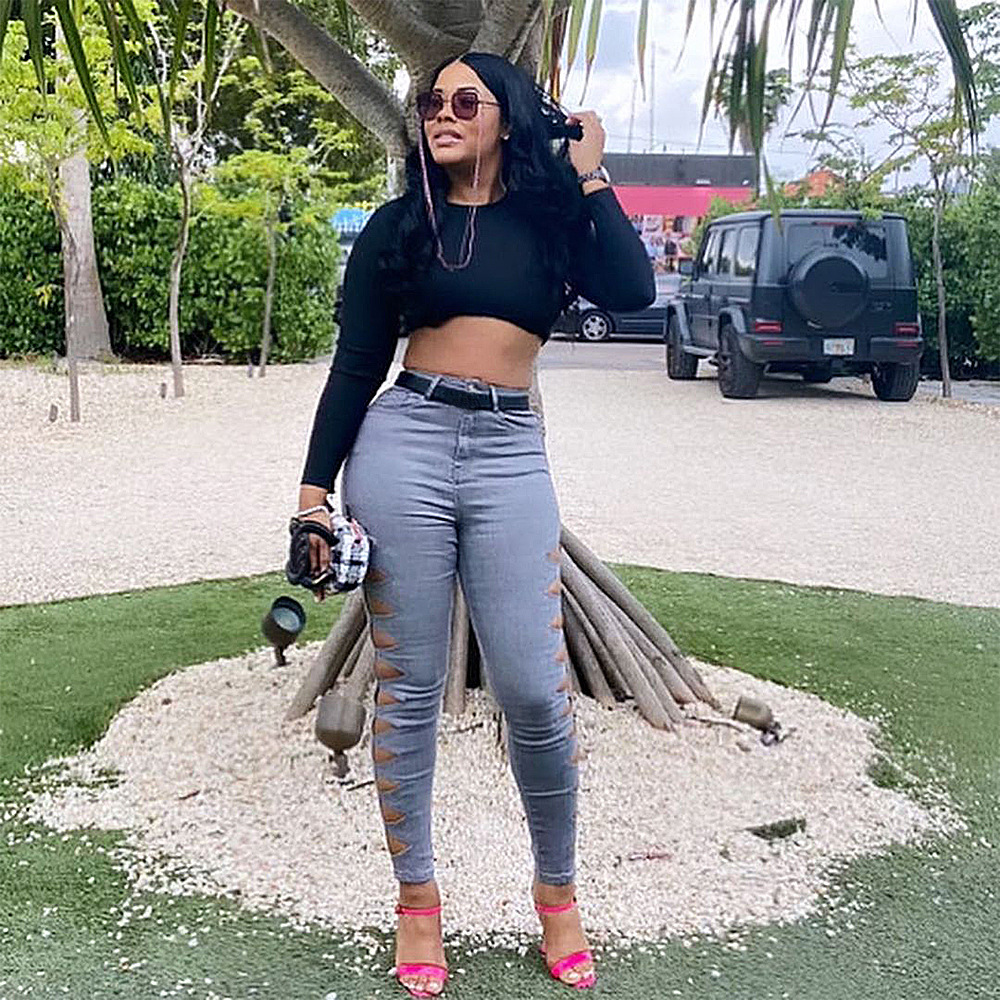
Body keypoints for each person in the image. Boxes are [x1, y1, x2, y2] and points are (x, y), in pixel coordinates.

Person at [296, 51, 654, 997]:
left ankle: (558, 892)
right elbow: (356, 363)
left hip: (509, 451)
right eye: (432, 101)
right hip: (404, 442)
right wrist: (312, 495)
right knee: (410, 686)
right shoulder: (400, 225)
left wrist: (590, 174)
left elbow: (633, 291)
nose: (442, 113)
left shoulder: (552, 217)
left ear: (508, 118)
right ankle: (417, 901)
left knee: (534, 688)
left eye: (466, 100)